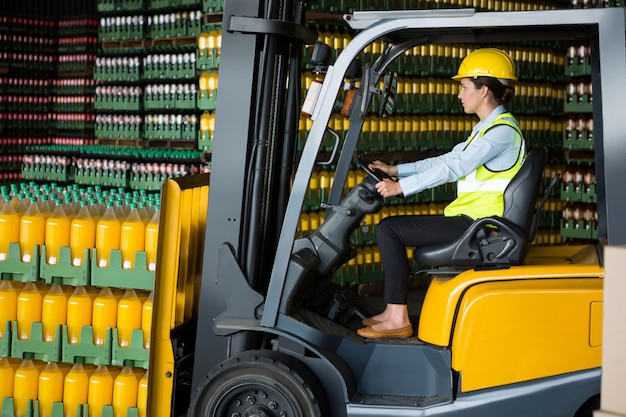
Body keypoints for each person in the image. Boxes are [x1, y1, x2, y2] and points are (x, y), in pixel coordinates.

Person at [357, 48, 526, 339]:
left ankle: (397, 316)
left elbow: (454, 168)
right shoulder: (487, 129)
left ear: (483, 90)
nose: (459, 95)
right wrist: (396, 170)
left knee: (389, 230)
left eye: (463, 87)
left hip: (480, 224)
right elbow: (445, 160)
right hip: (475, 220)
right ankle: (392, 310)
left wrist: (401, 189)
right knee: (390, 229)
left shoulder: (501, 133)